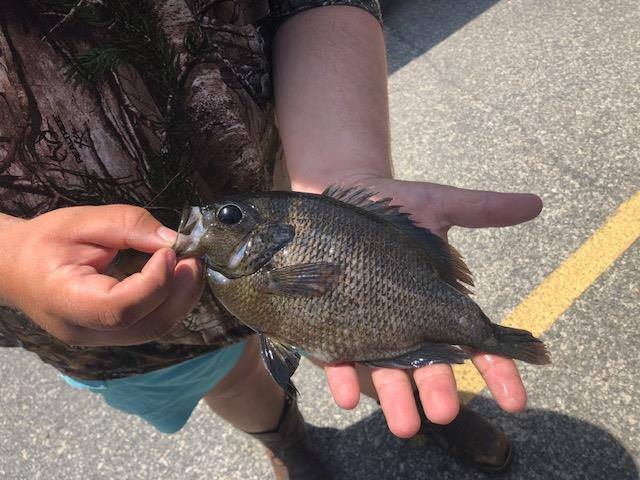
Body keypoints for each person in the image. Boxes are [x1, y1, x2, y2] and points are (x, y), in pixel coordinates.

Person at [0, 1, 542, 478]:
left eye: (227, 219)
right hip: (87, 314)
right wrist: (14, 259)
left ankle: (421, 394)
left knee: (359, 346)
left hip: (288, 185)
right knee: (231, 383)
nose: (210, 219)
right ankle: (286, 440)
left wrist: (346, 162)